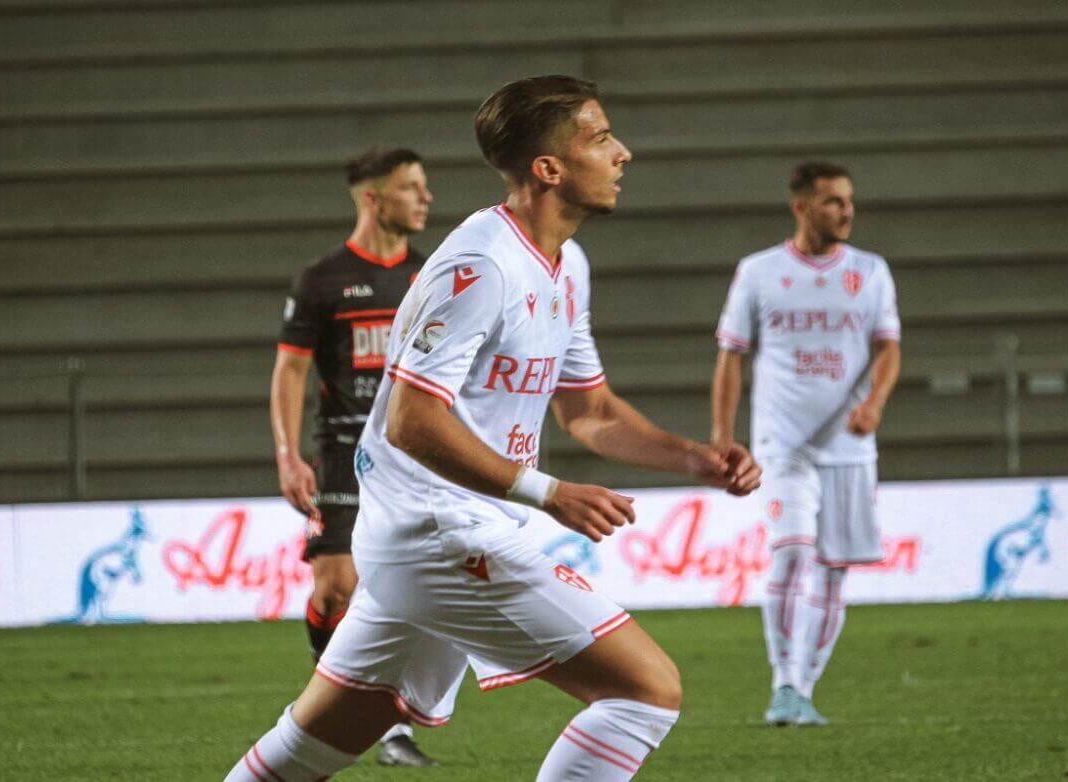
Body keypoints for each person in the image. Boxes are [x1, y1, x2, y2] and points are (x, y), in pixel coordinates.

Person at [225, 75, 762, 781]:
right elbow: (411, 421)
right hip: (438, 534)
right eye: (602, 139)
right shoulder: (482, 264)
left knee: (307, 747)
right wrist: (547, 491)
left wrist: (695, 458)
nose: (622, 153)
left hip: (431, 536)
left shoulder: (566, 264)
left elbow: (588, 410)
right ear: (550, 169)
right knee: (645, 689)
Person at [711, 161, 902, 726]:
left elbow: (889, 347)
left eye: (849, 200)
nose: (846, 210)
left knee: (835, 567)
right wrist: (724, 438)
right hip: (782, 445)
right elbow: (731, 356)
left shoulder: (870, 271)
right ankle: (782, 684)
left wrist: (874, 405)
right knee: (792, 551)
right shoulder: (759, 272)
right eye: (833, 202)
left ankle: (803, 689)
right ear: (801, 207)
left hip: (848, 449)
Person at [270, 147, 439, 766]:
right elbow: (290, 371)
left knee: (403, 594)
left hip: (413, 456)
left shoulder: (431, 276)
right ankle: (326, 694)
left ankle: (391, 727)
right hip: (342, 451)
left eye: (424, 187)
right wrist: (289, 456)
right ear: (373, 197)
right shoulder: (322, 280)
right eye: (411, 187)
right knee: (337, 585)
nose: (425, 198)